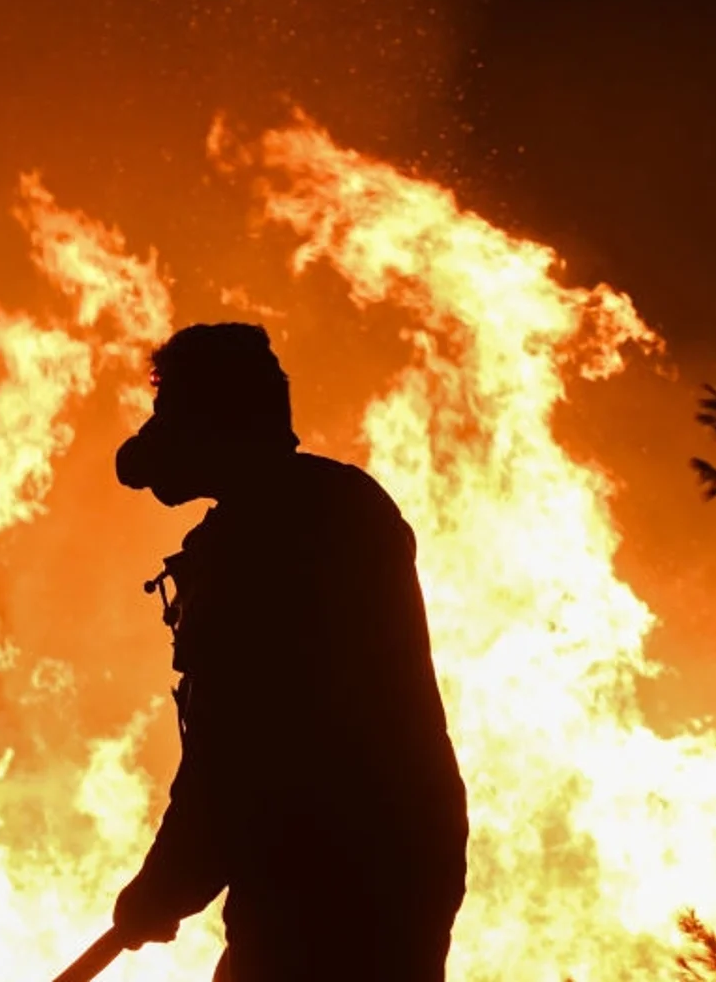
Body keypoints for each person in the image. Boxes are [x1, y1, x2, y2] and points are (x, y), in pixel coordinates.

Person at [110, 322, 468, 981]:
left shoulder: (260, 544)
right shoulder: (340, 504)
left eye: (176, 416)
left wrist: (163, 890)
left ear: (218, 421)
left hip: (328, 874)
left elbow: (241, 755)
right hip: (403, 857)